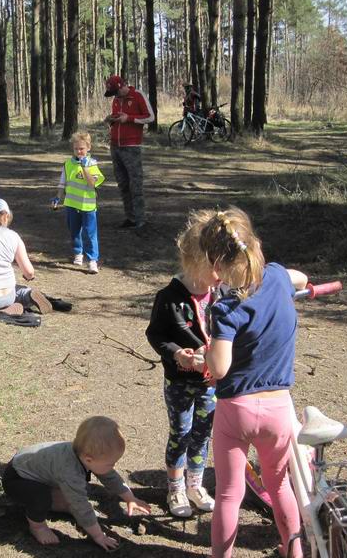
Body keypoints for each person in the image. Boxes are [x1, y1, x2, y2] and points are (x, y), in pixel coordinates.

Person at [201, 207, 307, 558]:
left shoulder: (227, 309)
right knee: (280, 486)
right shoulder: (277, 276)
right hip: (278, 408)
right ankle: (295, 551)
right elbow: (302, 279)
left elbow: (219, 367)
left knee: (229, 495)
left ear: (216, 266)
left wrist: (205, 352)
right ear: (255, 245)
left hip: (237, 410)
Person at [145, 210, 218, 518]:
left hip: (211, 382)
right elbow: (155, 334)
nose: (221, 275)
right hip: (179, 381)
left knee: (203, 434)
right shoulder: (169, 297)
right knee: (181, 432)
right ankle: (175, 489)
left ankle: (195, 484)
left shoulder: (222, 295)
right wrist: (176, 352)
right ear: (194, 264)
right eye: (215, 268)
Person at [2, 415, 151, 549]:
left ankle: (60, 502)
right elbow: (81, 506)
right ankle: (37, 526)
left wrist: (130, 498)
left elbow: (109, 476)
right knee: (42, 499)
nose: (113, 467)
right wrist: (99, 536)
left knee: (72, 493)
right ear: (88, 459)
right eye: (111, 464)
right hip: (17, 479)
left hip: (35, 472)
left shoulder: (85, 454)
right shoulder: (71, 472)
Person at [103, 74, 154, 230]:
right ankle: (130, 217)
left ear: (122, 86)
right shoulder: (116, 100)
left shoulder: (138, 95)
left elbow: (150, 117)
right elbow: (118, 120)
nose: (115, 96)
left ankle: (140, 219)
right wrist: (111, 119)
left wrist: (129, 119)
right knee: (123, 184)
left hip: (131, 147)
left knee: (135, 184)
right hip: (115, 146)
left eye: (116, 92)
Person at [54, 131, 104, 274]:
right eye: (76, 149)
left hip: (88, 206)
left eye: (81, 148)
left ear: (88, 148)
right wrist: (58, 197)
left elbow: (92, 183)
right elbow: (62, 183)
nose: (79, 151)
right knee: (74, 231)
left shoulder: (92, 164)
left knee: (90, 233)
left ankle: (92, 260)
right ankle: (78, 253)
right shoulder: (68, 164)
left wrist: (85, 168)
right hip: (71, 204)